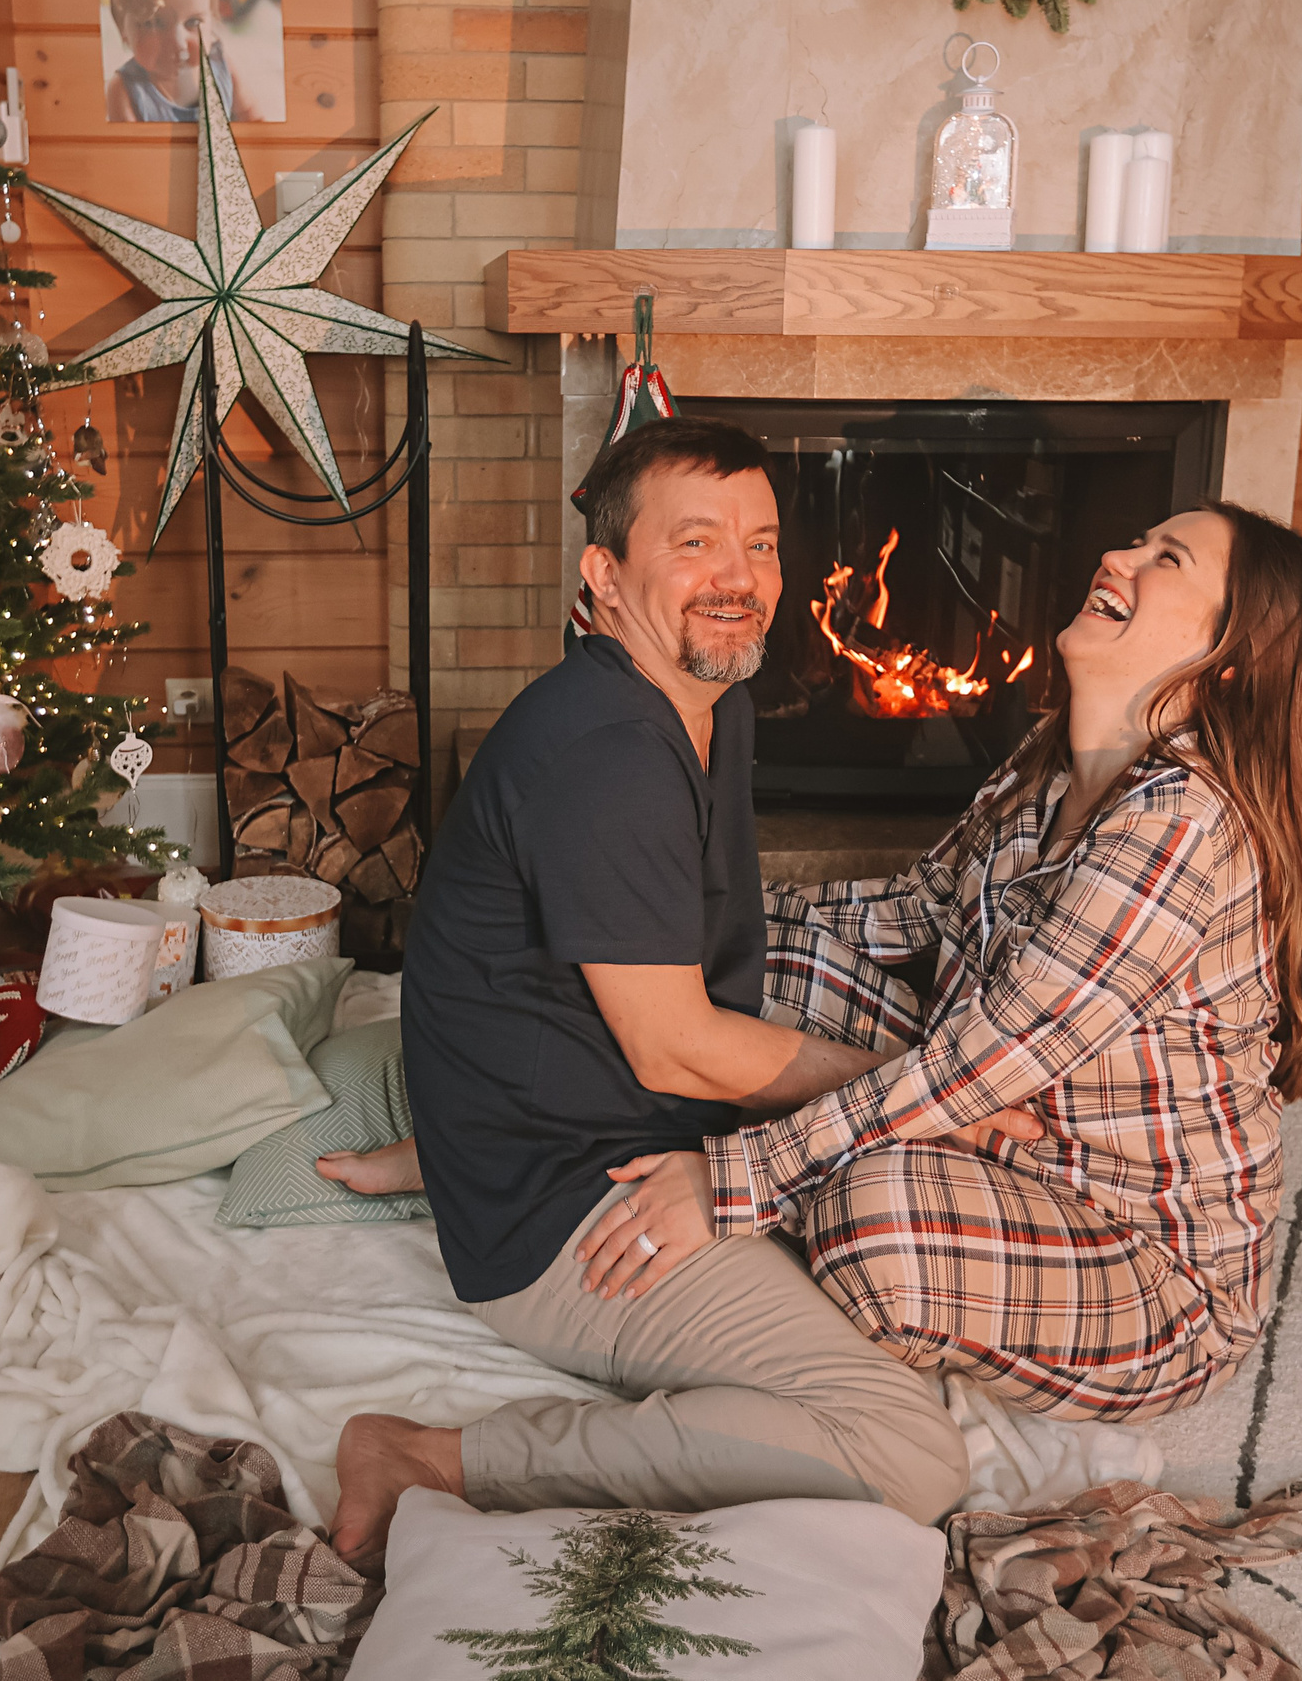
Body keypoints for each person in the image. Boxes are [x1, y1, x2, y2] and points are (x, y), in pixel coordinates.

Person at [330, 490, 1302, 1557]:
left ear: (1228, 663)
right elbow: (904, 912)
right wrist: (650, 930)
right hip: (1016, 1144)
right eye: (1137, 534)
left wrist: (729, 1182)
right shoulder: (1055, 761)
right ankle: (528, 1122)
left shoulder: (1183, 828)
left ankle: (482, 1418)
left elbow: (972, 1067)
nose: (1119, 551)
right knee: (758, 976)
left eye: (1169, 560)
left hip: (1144, 1264)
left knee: (871, 1219)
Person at [328, 417, 973, 1567]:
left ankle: (448, 1153)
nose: (740, 579)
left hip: (574, 1133)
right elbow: (678, 1050)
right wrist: (920, 1089)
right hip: (570, 1208)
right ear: (606, 575)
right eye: (695, 543)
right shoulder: (608, 751)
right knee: (905, 1450)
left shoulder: (700, 695)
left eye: (763, 545)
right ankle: (435, 1455)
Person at [103, 0, 268, 124]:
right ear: (123, 31)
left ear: (212, 20)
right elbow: (127, 152)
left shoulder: (221, 66)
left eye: (193, 22)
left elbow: (253, 118)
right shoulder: (124, 90)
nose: (179, 43)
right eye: (153, 23)